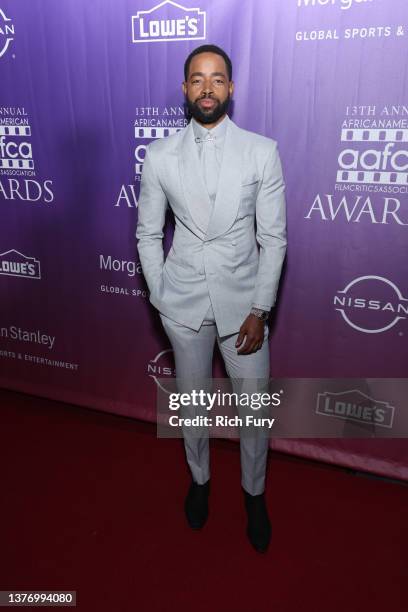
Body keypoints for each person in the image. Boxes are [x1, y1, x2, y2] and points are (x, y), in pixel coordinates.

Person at [136, 44, 287, 553]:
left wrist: (260, 309)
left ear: (231, 88)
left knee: (253, 412)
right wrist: (160, 294)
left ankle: (254, 495)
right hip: (182, 306)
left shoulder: (261, 151)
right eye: (197, 79)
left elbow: (275, 239)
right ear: (185, 90)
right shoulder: (159, 155)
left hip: (244, 307)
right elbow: (147, 235)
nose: (207, 87)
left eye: (217, 78)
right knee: (194, 407)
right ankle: (199, 480)